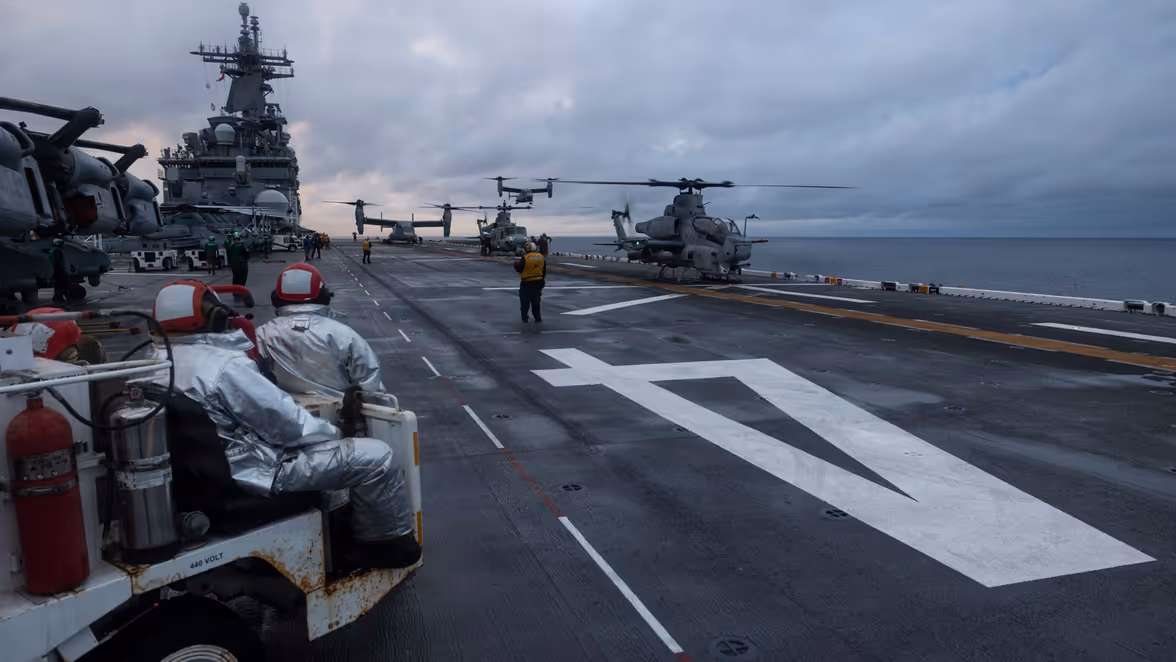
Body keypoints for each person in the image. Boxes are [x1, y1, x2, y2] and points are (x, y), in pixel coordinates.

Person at [148, 281, 420, 568]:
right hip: (253, 474)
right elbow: (289, 426)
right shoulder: (224, 366)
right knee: (377, 457)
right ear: (214, 316)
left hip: (196, 481)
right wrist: (340, 433)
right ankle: (380, 547)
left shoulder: (150, 363)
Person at [257, 264, 382, 398]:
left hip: (281, 415)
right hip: (338, 416)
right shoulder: (345, 335)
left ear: (276, 299)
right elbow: (371, 386)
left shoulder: (261, 334)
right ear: (324, 297)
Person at [514, 241, 545, 323]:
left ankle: (525, 318)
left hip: (526, 283)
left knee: (525, 302)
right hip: (538, 282)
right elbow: (543, 270)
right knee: (536, 302)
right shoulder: (541, 257)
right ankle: (537, 317)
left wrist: (515, 264)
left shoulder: (525, 258)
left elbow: (519, 268)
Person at [48, 238, 68, 302]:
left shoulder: (52, 250)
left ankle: (57, 296)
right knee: (60, 283)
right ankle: (58, 297)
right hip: (59, 269)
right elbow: (58, 261)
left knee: (57, 283)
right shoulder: (57, 251)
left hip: (54, 269)